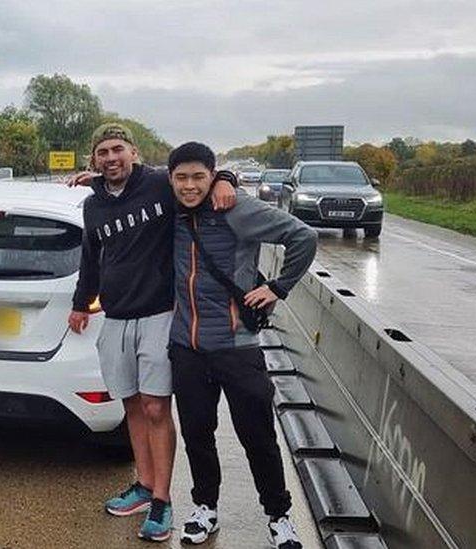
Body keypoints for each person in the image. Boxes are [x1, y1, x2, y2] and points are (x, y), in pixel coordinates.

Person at [68, 123, 236, 542]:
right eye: (102, 152)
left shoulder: (161, 185)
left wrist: (226, 180)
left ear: (134, 152)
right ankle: (143, 485)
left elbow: (196, 175)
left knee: (157, 408)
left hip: (160, 314)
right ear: (94, 159)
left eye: (117, 149)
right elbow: (91, 256)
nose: (111, 158)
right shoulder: (94, 205)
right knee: (131, 405)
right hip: (115, 317)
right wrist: (79, 302)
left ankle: (162, 500)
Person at [166, 142, 316, 549]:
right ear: (171, 179)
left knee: (258, 436)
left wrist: (277, 288)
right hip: (186, 346)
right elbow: (128, 181)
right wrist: (92, 176)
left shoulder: (235, 209)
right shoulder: (171, 209)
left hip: (237, 346)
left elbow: (302, 237)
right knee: (197, 432)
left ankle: (279, 515)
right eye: (181, 177)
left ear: (213, 175)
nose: (190, 185)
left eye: (200, 176)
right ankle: (205, 508)